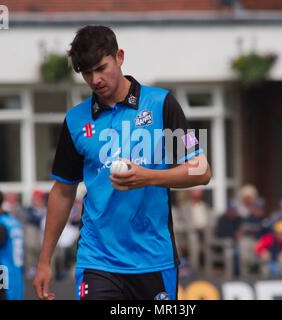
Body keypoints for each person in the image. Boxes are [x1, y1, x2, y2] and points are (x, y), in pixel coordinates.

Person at [33, 25, 212, 300]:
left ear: (120, 56)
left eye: (101, 68)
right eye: (87, 73)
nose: (95, 80)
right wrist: (45, 261)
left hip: (155, 260)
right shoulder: (75, 121)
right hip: (98, 259)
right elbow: (63, 190)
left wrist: (149, 177)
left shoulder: (162, 104)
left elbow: (201, 170)